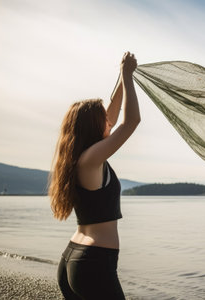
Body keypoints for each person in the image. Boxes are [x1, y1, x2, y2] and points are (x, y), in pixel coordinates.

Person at [49, 51, 140, 299]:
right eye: (104, 120)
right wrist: (128, 76)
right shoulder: (90, 160)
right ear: (93, 126)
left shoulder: (82, 157)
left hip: (75, 257)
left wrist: (122, 75)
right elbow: (131, 121)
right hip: (93, 263)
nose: (109, 122)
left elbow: (112, 115)